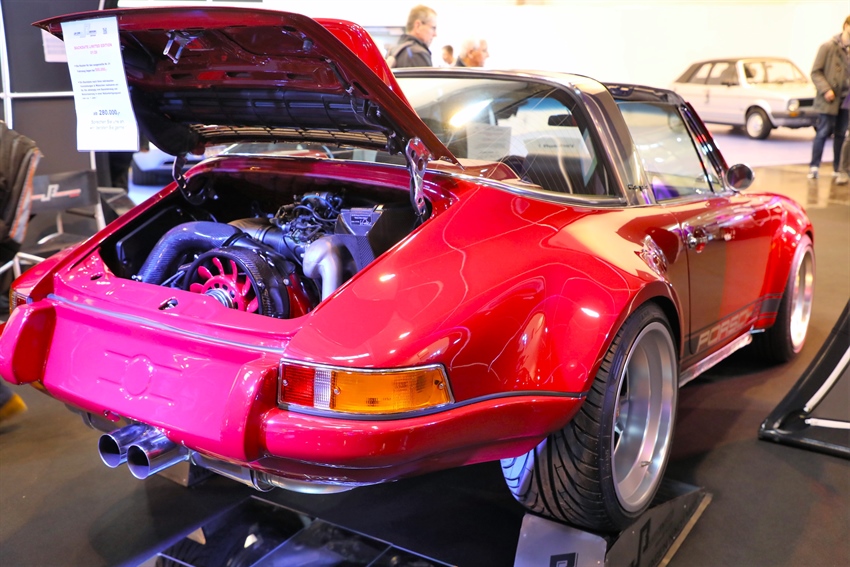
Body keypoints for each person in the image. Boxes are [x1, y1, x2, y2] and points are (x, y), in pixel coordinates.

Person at [808, 15, 850, 180]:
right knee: (823, 132)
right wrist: (826, 89)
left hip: (846, 100)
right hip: (829, 99)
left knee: (841, 134)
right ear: (846, 26)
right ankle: (814, 166)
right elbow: (815, 72)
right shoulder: (827, 47)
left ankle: (838, 168)